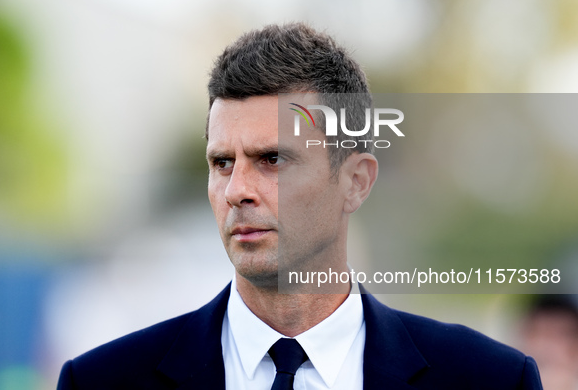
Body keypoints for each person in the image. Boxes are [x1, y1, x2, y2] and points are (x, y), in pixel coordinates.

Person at [57, 22, 542, 390]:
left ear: (355, 182)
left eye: (271, 159)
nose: (236, 190)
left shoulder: (489, 379)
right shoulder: (102, 381)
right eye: (222, 162)